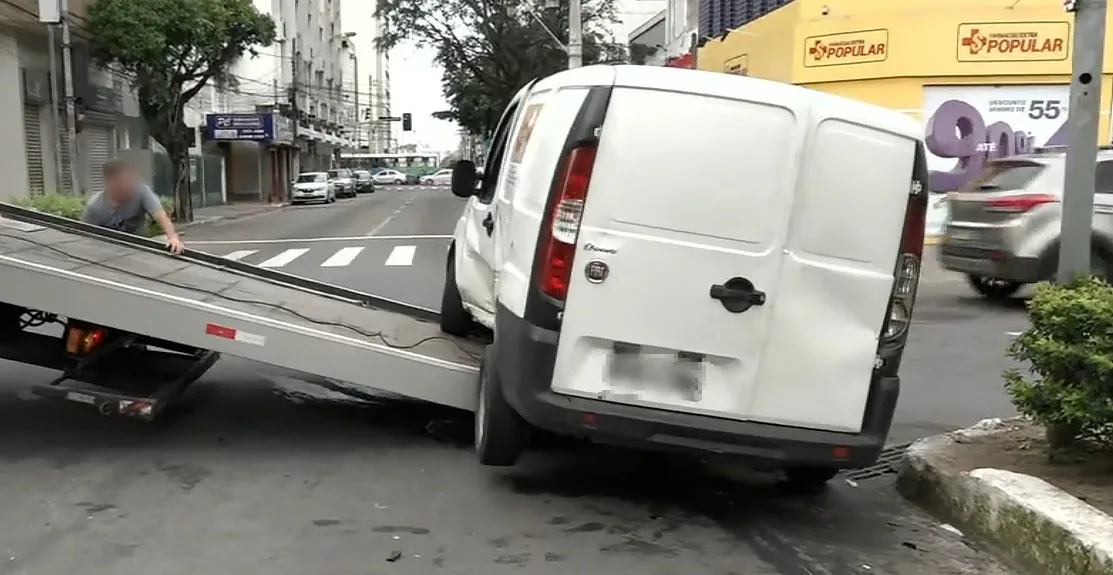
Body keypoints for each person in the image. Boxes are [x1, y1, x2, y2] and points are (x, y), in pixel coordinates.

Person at [81, 158, 185, 254]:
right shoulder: (95, 207)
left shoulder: (141, 192)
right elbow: (84, 238)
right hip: (108, 253)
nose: (127, 185)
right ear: (110, 182)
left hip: (138, 249)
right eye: (121, 181)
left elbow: (160, 215)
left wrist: (172, 237)